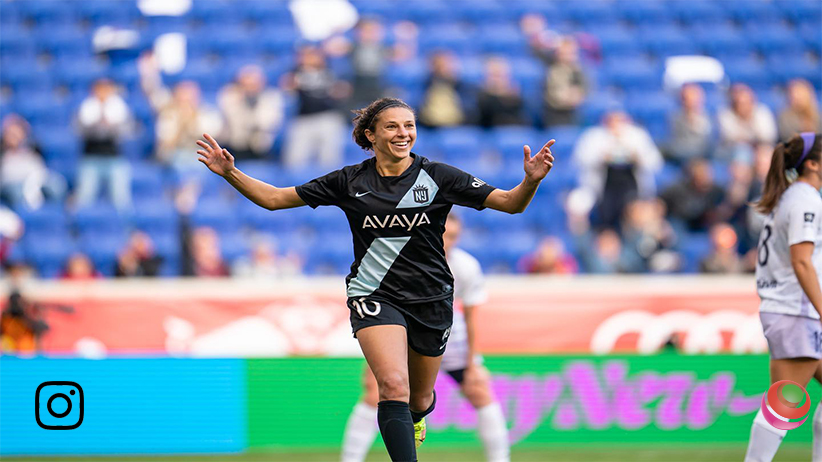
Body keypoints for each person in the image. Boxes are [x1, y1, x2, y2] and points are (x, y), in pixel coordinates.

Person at [196, 97, 554, 462]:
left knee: (419, 398)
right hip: (374, 293)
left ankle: (415, 418)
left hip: (431, 298)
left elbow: (510, 203)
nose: (403, 133)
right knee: (393, 385)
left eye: (409, 126)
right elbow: (275, 198)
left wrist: (530, 181)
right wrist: (230, 173)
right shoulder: (349, 180)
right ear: (371, 135)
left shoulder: (439, 176)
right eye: (392, 126)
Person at [340, 214, 511, 462]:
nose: (447, 241)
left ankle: (500, 459)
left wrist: (472, 362)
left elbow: (471, 317)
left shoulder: (465, 266)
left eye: (453, 236)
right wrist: (373, 362)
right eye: (444, 234)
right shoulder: (399, 259)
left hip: (450, 340)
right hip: (401, 337)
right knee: (374, 393)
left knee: (480, 391)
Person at [743, 132, 822, 462]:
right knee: (782, 405)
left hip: (792, 309)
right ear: (813, 164)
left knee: (783, 403)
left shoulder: (789, 198)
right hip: (795, 311)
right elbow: (801, 261)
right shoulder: (805, 200)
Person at [572, 109, 663, 229]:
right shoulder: (593, 136)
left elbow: (655, 163)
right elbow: (580, 160)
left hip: (631, 186)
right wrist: (601, 157)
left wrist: (637, 157)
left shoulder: (637, 135)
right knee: (577, 204)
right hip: (601, 187)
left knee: (646, 210)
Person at [281, 45, 349, 168]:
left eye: (313, 55)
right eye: (306, 56)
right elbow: (287, 91)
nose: (309, 59)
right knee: (295, 161)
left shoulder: (330, 72)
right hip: (303, 119)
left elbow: (343, 92)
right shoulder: (294, 74)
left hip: (327, 117)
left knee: (329, 161)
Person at [75, 78, 133, 212]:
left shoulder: (119, 107)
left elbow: (127, 131)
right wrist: (98, 125)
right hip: (90, 157)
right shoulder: (86, 107)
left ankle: (126, 224)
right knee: (84, 198)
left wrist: (110, 127)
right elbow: (79, 130)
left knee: (121, 200)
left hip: (114, 157)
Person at [217, 65, 285, 161]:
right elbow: (235, 122)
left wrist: (253, 104)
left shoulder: (271, 97)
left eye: (253, 85)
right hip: (234, 146)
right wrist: (241, 101)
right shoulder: (230, 96)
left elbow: (266, 122)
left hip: (261, 147)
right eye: (245, 85)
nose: (250, 89)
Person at [667, 83, 713, 164]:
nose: (689, 101)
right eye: (685, 98)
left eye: (692, 97)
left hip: (704, 153)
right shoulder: (675, 117)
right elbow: (676, 143)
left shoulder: (709, 117)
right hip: (683, 154)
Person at [476, 57, 525, 129]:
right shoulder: (478, 96)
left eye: (500, 75)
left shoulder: (516, 98)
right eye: (493, 75)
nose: (496, 80)